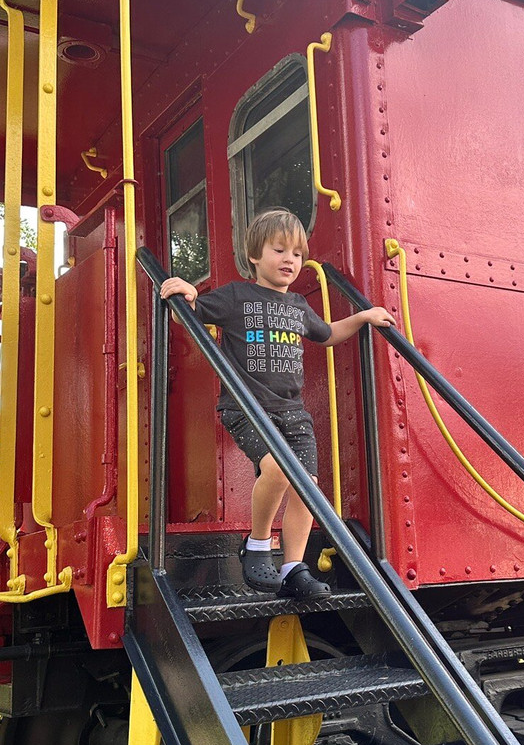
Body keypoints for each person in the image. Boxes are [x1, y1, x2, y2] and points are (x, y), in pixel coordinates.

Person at [160, 208, 396, 600]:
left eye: (297, 254)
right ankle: (256, 545)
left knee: (310, 488)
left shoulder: (299, 307)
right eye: (279, 250)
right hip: (247, 408)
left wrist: (363, 317)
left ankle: (292, 567)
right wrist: (186, 291)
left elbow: (328, 334)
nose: (290, 260)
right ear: (255, 255)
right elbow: (194, 314)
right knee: (276, 470)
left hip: (292, 411)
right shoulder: (237, 296)